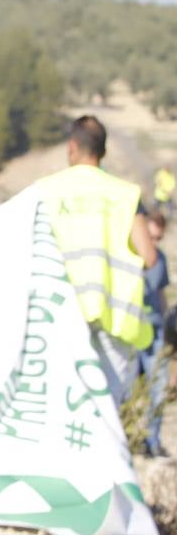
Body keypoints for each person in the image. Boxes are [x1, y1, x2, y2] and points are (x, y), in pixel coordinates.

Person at [35, 116, 158, 404]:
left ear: (72, 147)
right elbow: (149, 257)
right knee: (106, 410)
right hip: (114, 318)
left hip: (57, 312)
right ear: (103, 151)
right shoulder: (126, 194)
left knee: (59, 402)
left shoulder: (45, 190)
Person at [139, 211, 169, 454]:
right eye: (151, 238)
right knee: (126, 391)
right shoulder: (128, 257)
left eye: (158, 239)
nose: (155, 244)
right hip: (131, 330)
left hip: (155, 328)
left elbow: (160, 292)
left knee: (157, 387)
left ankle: (153, 443)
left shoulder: (161, 259)